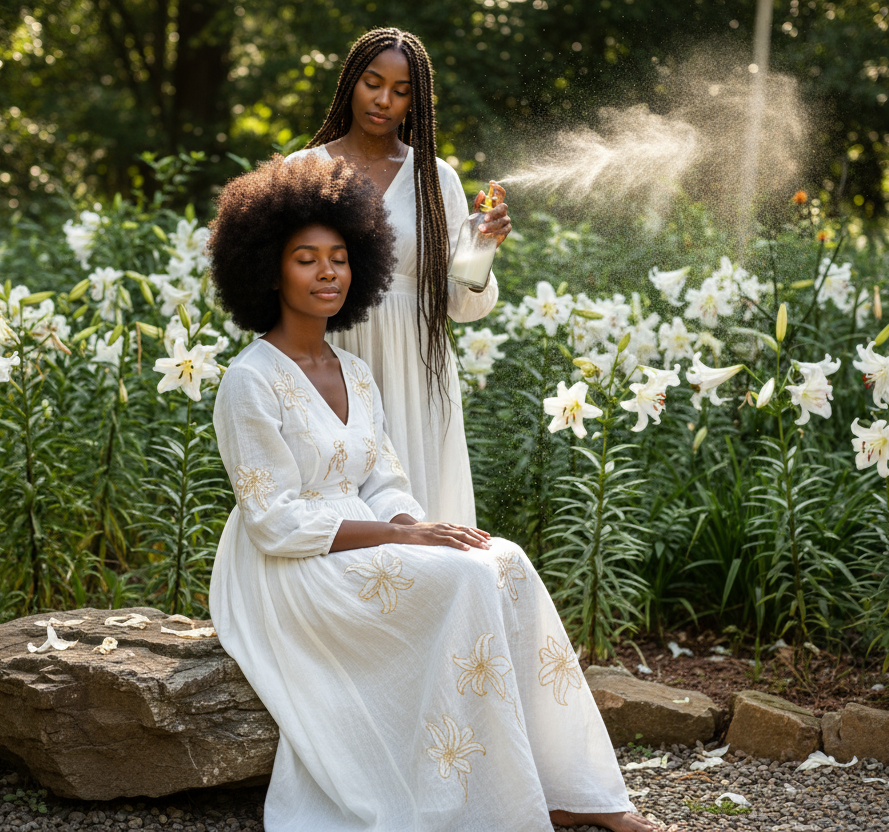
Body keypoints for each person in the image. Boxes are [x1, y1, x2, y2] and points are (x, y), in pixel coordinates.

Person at [205, 153, 659, 832]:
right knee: (464, 582)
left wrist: (416, 525)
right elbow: (274, 523)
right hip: (286, 571)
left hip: (357, 537)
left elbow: (383, 478)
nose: (327, 272)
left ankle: (574, 789)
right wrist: (403, 537)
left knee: (501, 561)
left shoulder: (352, 370)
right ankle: (473, 803)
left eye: (339, 257)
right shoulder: (249, 380)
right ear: (268, 268)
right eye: (306, 259)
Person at [288, 27, 510, 527]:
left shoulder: (436, 178)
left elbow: (461, 304)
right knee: (333, 496)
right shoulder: (303, 169)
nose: (384, 100)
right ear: (351, 82)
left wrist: (481, 248)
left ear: (416, 100)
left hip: (415, 363)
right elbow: (274, 274)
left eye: (402, 90)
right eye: (372, 82)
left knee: (418, 497)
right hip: (331, 354)